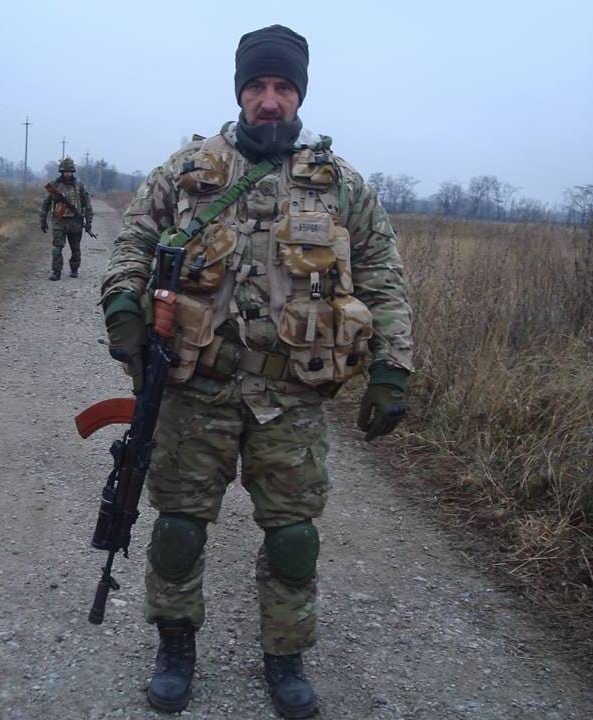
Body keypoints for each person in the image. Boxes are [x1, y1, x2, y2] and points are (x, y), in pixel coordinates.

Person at [99, 24, 413, 719]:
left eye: (283, 87)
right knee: (179, 527)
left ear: (300, 94)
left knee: (294, 537)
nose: (270, 100)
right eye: (258, 86)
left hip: (290, 397)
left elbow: (384, 277)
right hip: (195, 388)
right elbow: (132, 245)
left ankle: (285, 655)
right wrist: (123, 303)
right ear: (240, 91)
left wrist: (392, 369)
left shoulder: (342, 185)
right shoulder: (187, 171)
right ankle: (175, 645)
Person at [40, 157, 93, 280]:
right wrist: (43, 220)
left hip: (75, 221)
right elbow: (46, 203)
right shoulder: (54, 185)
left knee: (75, 248)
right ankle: (56, 271)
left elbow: (87, 203)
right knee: (57, 248)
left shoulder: (79, 185)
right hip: (59, 221)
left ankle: (74, 269)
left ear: (73, 171)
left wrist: (89, 221)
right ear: (61, 171)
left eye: (69, 171)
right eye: (65, 171)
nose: (67, 174)